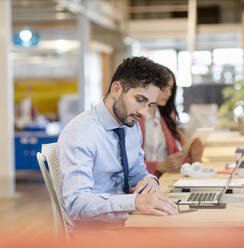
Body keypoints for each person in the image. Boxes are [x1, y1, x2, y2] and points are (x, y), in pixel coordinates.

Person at [57, 57, 179, 228]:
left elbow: (138, 173)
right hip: (95, 234)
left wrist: (151, 180)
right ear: (116, 89)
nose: (143, 112)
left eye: (149, 104)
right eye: (139, 100)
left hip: (129, 223)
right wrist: (134, 202)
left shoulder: (130, 126)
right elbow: (76, 205)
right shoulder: (81, 133)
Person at [139, 67, 203, 177]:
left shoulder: (166, 117)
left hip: (164, 179)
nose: (168, 93)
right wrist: (160, 165)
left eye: (170, 89)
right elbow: (129, 165)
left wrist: (194, 158)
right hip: (142, 184)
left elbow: (174, 158)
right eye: (164, 88)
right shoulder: (135, 119)